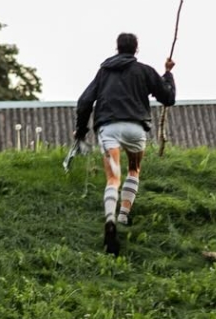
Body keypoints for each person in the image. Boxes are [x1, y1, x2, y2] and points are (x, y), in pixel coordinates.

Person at [74, 32, 177, 255]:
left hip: (109, 127)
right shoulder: (144, 71)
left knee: (113, 177)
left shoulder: (103, 72)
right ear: (136, 49)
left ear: (117, 48)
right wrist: (168, 74)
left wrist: (80, 132)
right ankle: (123, 216)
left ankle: (110, 219)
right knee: (134, 169)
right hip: (135, 127)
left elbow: (84, 102)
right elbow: (168, 97)